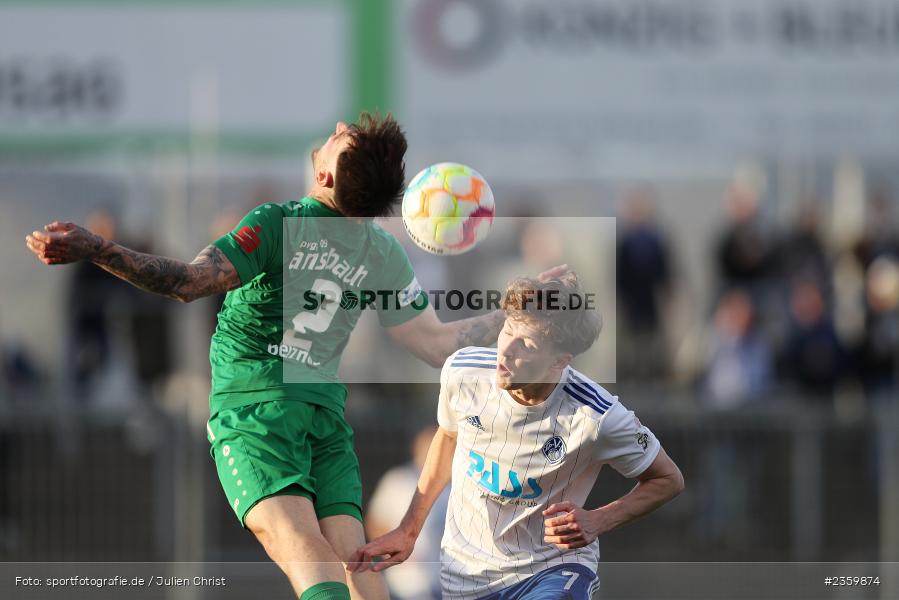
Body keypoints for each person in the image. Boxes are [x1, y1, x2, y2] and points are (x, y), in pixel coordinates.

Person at [25, 114, 561, 600]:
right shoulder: (381, 252)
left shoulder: (278, 223)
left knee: (298, 544)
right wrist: (513, 311)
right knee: (357, 564)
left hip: (257, 408)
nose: (335, 127)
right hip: (323, 415)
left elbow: (187, 283)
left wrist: (98, 249)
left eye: (338, 138)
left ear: (326, 176)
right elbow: (437, 344)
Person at [349, 271, 684, 600]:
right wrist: (409, 530)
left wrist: (598, 520)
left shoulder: (597, 416)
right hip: (466, 574)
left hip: (551, 568)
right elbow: (448, 438)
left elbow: (668, 479)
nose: (506, 350)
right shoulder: (463, 372)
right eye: (508, 330)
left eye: (526, 343)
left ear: (559, 361)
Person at [366, 426, 448, 600]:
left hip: (442, 579)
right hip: (403, 581)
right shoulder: (397, 479)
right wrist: (393, 551)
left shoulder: (454, 484)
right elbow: (376, 522)